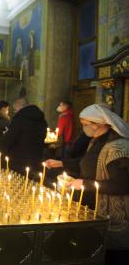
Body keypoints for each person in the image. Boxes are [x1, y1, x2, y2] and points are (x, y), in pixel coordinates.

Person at [45, 104, 129, 265]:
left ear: (98, 123)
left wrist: (84, 183)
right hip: (91, 204)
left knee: (112, 255)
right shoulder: (97, 140)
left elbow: (121, 185)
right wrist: (61, 163)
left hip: (112, 211)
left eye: (85, 124)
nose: (83, 128)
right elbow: (88, 163)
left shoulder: (117, 147)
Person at [3, 98, 47, 174]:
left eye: (15, 109)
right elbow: (44, 135)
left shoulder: (19, 119)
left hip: (19, 160)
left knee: (19, 182)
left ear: (20, 107)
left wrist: (6, 133)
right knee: (33, 181)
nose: (15, 112)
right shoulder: (41, 119)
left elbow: (9, 140)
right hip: (36, 157)